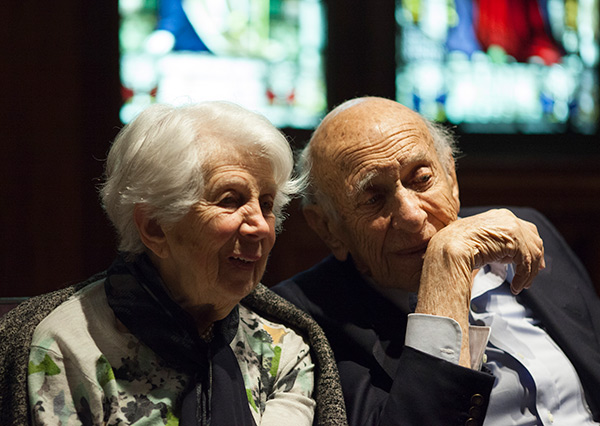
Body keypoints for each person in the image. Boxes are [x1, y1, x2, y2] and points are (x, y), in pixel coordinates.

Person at [0, 102, 347, 425]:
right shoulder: (68, 348)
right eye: (230, 200)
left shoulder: (282, 348)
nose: (260, 225)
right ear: (154, 227)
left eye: (267, 203)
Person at [273, 96, 600, 425]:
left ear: (452, 179)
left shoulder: (526, 229)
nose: (412, 216)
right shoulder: (302, 319)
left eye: (422, 179)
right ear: (328, 228)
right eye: (373, 198)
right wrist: (446, 268)